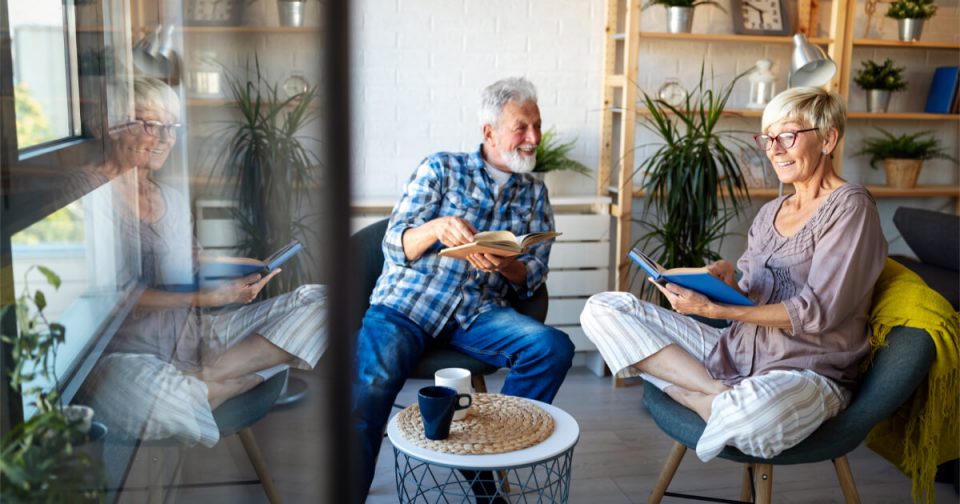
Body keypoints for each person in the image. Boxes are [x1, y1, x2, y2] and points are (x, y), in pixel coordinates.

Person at [581, 87, 887, 461]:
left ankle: (694, 395)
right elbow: (750, 302)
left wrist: (718, 310)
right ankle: (716, 395)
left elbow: (818, 312)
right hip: (736, 354)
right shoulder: (770, 212)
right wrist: (726, 286)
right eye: (768, 138)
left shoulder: (851, 208)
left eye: (787, 136)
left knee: (753, 416)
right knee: (603, 309)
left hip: (805, 371)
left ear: (828, 139)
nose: (774, 149)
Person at [352, 77, 575, 501]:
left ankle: (486, 446)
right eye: (522, 127)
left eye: (537, 126)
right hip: (409, 303)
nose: (533, 138)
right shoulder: (441, 168)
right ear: (489, 131)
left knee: (552, 348)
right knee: (370, 389)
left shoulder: (534, 193)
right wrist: (435, 228)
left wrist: (507, 264)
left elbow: (533, 274)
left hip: (479, 312)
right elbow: (394, 244)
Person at [82, 76, 327, 447]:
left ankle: (208, 380)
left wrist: (249, 266)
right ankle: (240, 379)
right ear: (111, 125)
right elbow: (111, 297)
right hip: (127, 356)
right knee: (156, 401)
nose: (164, 138)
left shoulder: (171, 198)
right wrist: (207, 298)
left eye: (171, 127)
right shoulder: (91, 193)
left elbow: (193, 260)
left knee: (325, 301)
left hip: (193, 337)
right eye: (151, 124)